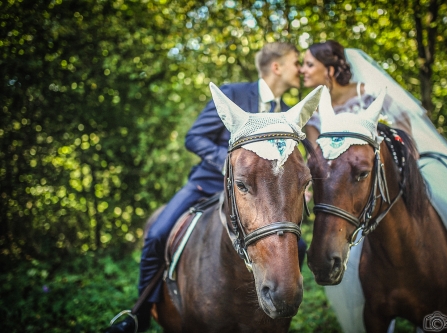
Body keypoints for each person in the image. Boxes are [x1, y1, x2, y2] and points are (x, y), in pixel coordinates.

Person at [104, 42, 306, 333]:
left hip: (260, 198)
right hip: (207, 184)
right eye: (295, 62)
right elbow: (194, 136)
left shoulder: (286, 113)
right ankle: (139, 314)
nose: (299, 69)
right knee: (158, 234)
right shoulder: (232, 94)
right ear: (277, 67)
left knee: (298, 243)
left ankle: (278, 305)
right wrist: (229, 167)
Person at [300, 40, 447, 332]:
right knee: (342, 244)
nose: (302, 70)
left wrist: (406, 161)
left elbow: (404, 122)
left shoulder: (365, 93)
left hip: (396, 170)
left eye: (308, 64)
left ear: (329, 69)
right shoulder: (316, 111)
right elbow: (317, 157)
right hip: (350, 190)